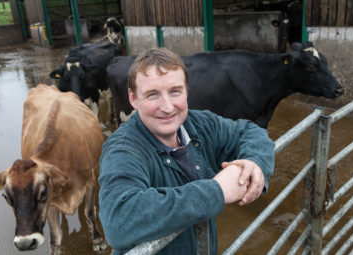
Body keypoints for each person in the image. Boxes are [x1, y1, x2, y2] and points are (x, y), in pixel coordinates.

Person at [98, 48, 275, 254]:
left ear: (187, 91)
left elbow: (249, 131)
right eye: (152, 95)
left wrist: (254, 162)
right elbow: (118, 222)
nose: (167, 106)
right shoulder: (123, 149)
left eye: (175, 91)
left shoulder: (200, 123)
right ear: (133, 98)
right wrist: (216, 191)